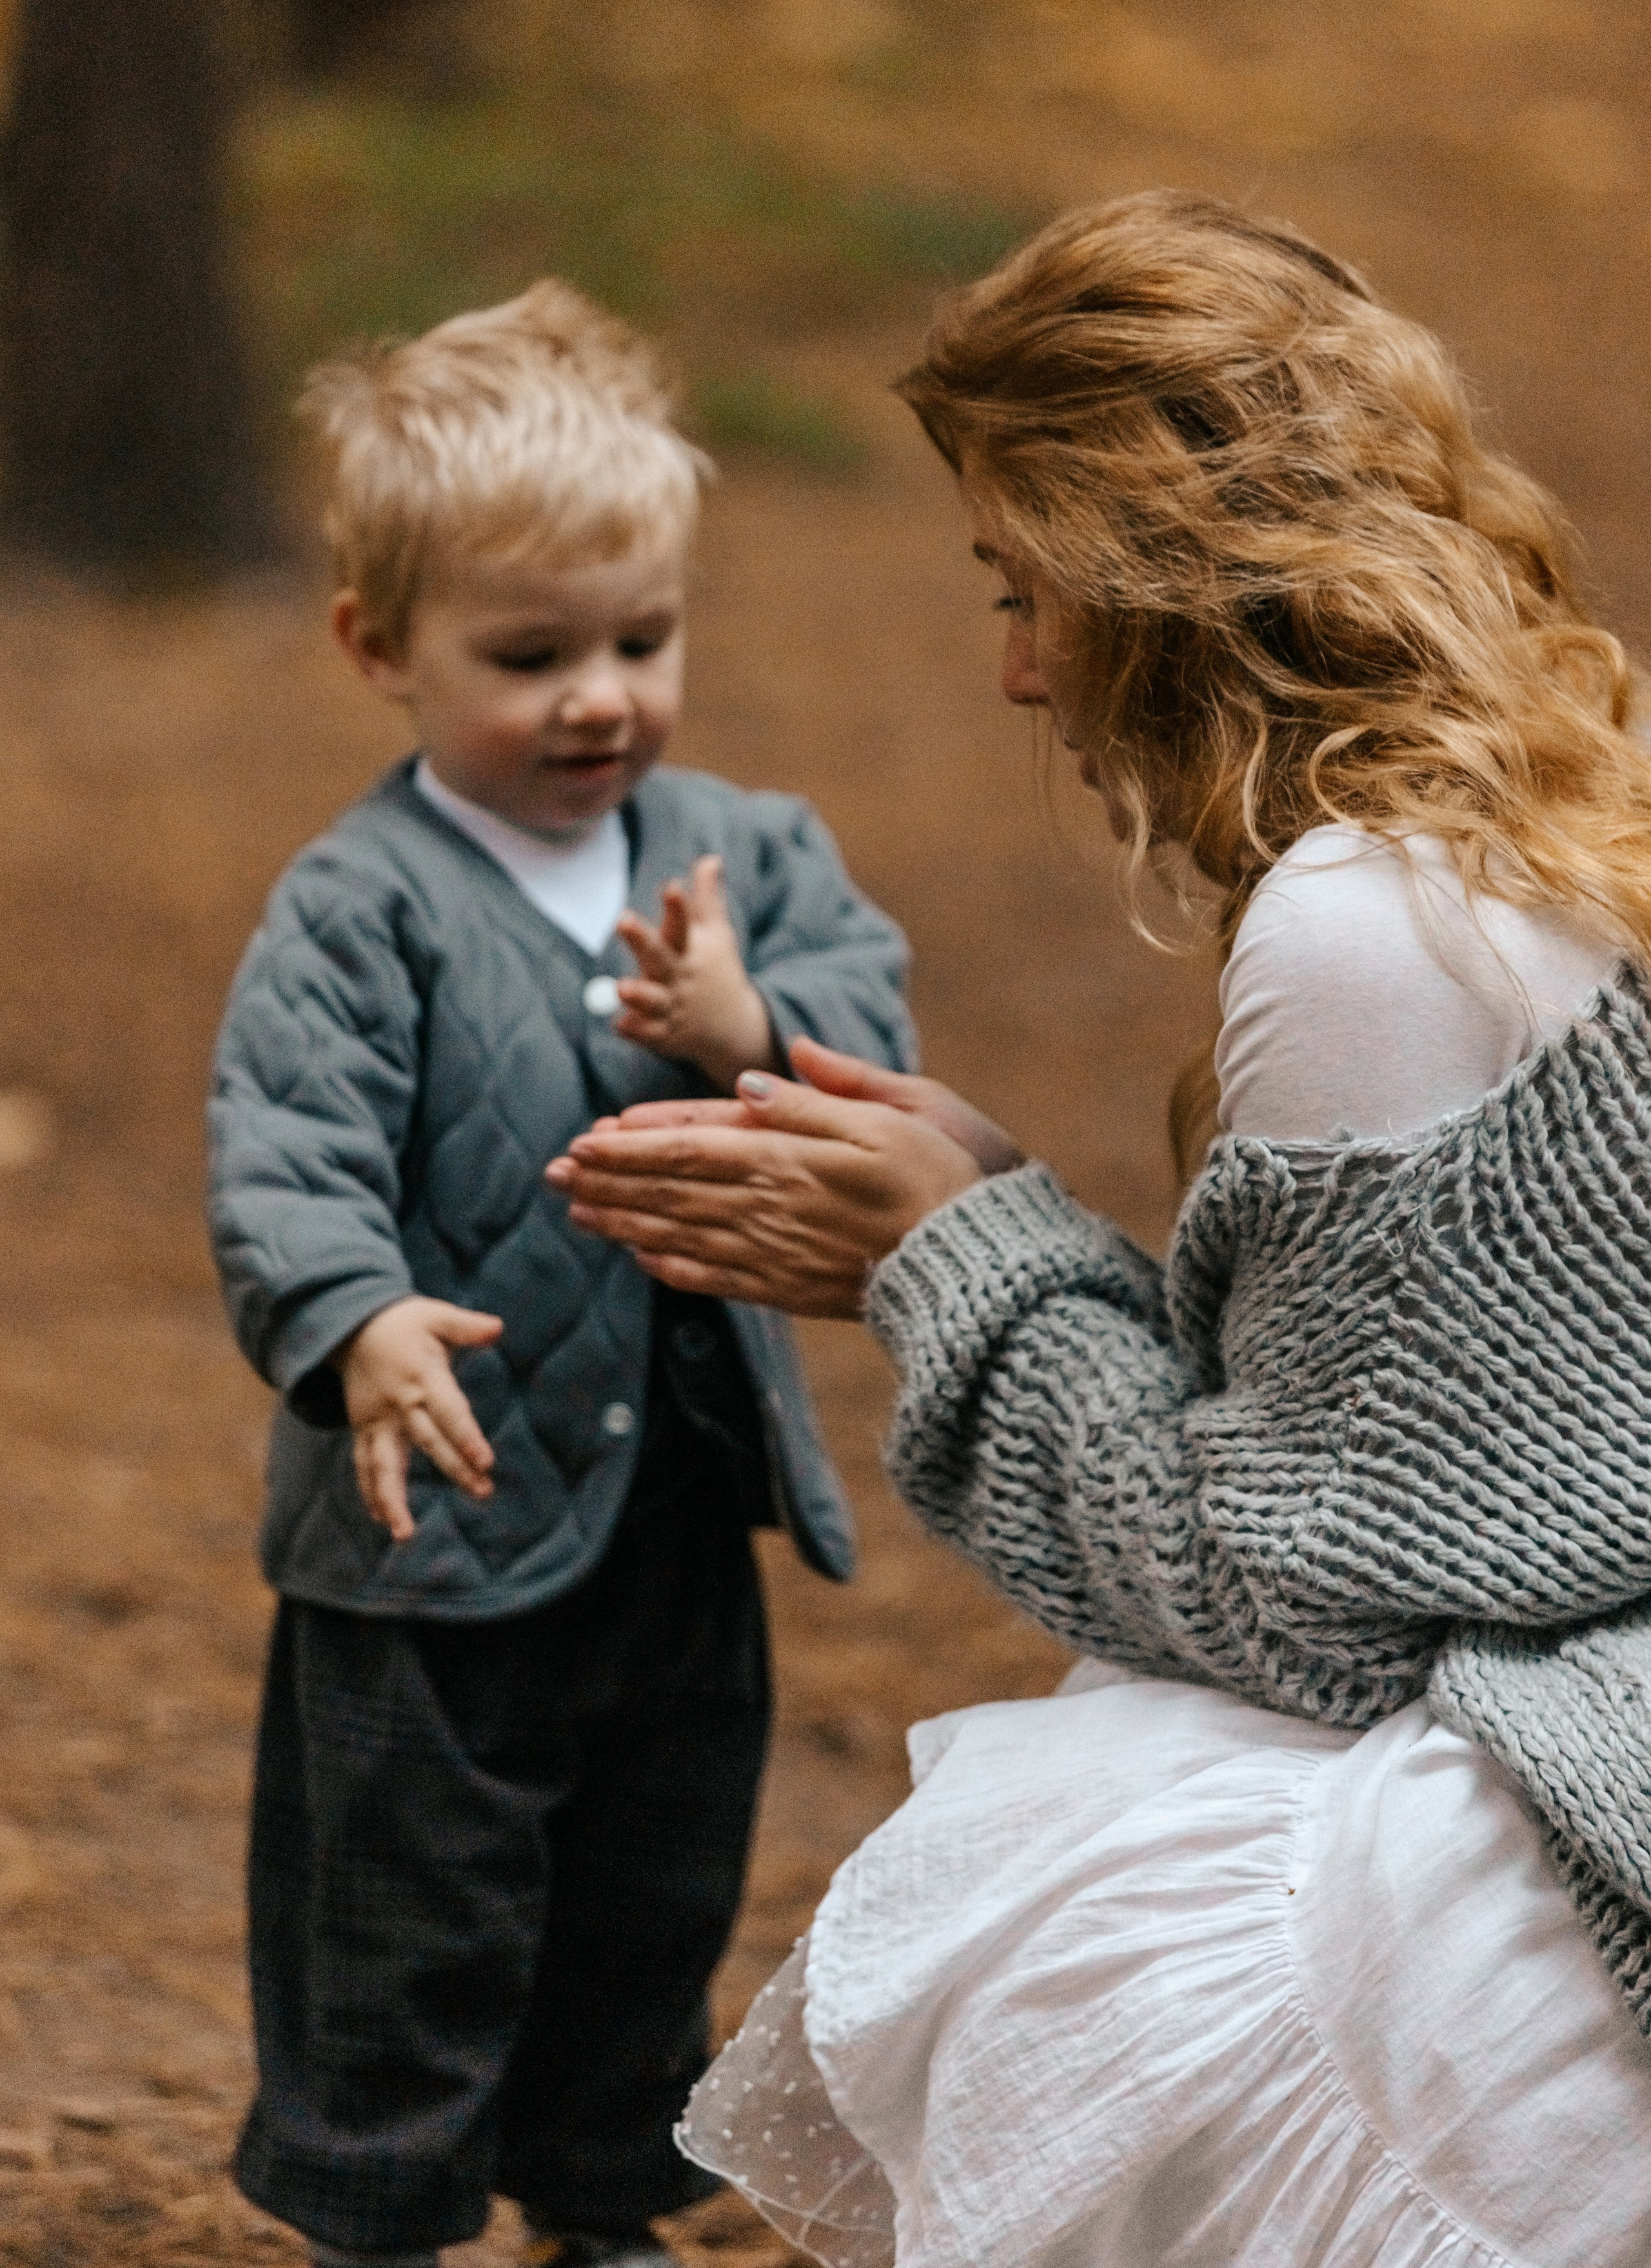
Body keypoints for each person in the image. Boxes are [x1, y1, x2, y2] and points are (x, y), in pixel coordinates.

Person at [551, 192, 1651, 2267]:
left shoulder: (1366, 923)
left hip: (1609, 1791)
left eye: (1023, 587)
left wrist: (954, 1261)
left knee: (1095, 1893)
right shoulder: (1574, 790)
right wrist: (983, 1192)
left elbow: (1311, 1610)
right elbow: (1462, 1476)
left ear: (1163, 570)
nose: (1016, 672)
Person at [206, 281, 916, 2268]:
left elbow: (871, 1031)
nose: (600, 693)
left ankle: (603, 2195)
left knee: (652, 1873)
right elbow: (287, 1139)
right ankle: (385, 2207)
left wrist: (749, 1020)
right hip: (437, 1513)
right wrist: (351, 1318)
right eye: (530, 655)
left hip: (681, 1505)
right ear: (381, 647)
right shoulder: (365, 906)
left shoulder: (740, 854)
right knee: (410, 1900)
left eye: (642, 638)